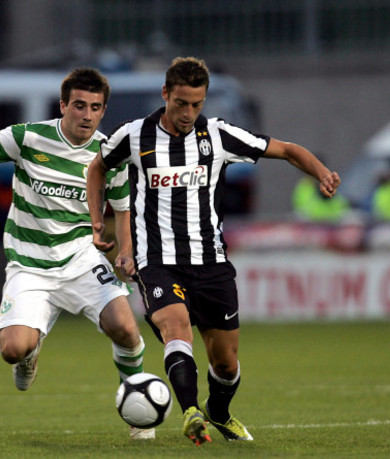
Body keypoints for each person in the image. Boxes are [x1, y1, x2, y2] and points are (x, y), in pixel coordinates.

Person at [86, 57, 341, 446]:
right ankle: (189, 412)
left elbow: (287, 150)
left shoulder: (218, 137)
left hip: (211, 262)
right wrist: (96, 221)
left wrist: (321, 172)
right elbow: (97, 168)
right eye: (181, 103)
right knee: (176, 328)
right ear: (165, 94)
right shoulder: (135, 135)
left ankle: (217, 412)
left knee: (225, 361)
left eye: (197, 104)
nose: (188, 113)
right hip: (156, 261)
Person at [0, 68, 154, 440]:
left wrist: (127, 252)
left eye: (95, 108)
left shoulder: (109, 154)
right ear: (63, 105)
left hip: (82, 259)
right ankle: (28, 354)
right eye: (79, 106)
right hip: (30, 265)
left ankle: (138, 411)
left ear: (103, 111)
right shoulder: (28, 137)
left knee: (126, 328)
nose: (86, 115)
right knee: (13, 349)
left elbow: (123, 209)